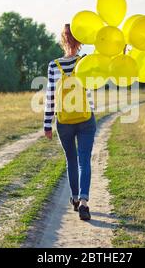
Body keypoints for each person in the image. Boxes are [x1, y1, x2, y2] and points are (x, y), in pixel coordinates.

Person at [44, 24, 96, 221]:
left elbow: (50, 95)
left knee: (71, 160)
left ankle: (74, 198)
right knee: (84, 160)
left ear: (62, 40)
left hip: (63, 120)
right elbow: (105, 76)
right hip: (85, 118)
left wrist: (47, 123)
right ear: (80, 40)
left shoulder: (53, 65)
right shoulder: (87, 62)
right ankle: (84, 202)